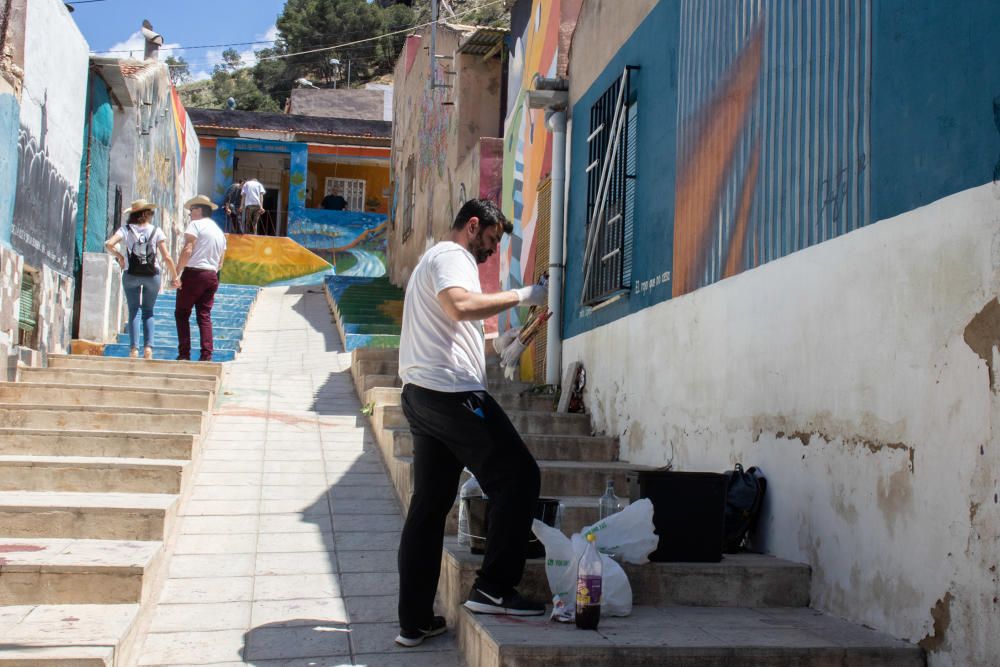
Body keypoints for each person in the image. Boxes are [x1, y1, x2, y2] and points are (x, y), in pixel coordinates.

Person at [394, 198, 548, 648]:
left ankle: (414, 620)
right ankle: (494, 588)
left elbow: (453, 328)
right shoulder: (451, 255)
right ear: (473, 226)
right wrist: (526, 294)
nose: (490, 253)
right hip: (451, 395)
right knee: (518, 476)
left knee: (429, 505)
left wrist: (503, 343)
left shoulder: (433, 264)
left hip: (423, 395)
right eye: (491, 241)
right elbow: (460, 306)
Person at [104, 198, 178, 360]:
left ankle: (134, 350)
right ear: (146, 214)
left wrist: (120, 257)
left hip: (131, 274)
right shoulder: (156, 231)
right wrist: (175, 276)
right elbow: (166, 256)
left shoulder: (125, 229)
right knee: (148, 311)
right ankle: (148, 349)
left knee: (134, 311)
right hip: (152, 276)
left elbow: (109, 244)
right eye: (150, 212)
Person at [173, 195, 227, 362]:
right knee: (204, 314)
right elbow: (221, 262)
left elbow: (188, 249)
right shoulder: (219, 233)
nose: (189, 214)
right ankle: (206, 355)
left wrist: (177, 272)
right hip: (212, 275)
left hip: (195, 273)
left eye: (191, 210)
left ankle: (184, 354)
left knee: (182, 313)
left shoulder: (195, 225)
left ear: (199, 210)